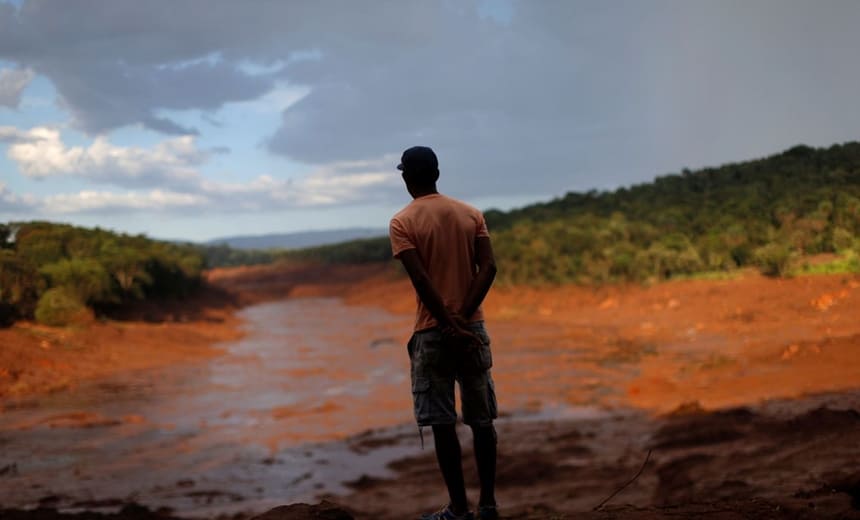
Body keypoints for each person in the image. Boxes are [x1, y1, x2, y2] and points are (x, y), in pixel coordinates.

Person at [389, 146, 499, 520]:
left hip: (433, 333)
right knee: (482, 421)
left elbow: (420, 279)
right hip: (471, 330)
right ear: (437, 172)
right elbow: (489, 268)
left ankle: (458, 510)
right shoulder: (471, 214)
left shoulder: (402, 222)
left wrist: (448, 323)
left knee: (442, 423)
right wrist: (464, 319)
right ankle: (488, 506)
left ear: (407, 177)